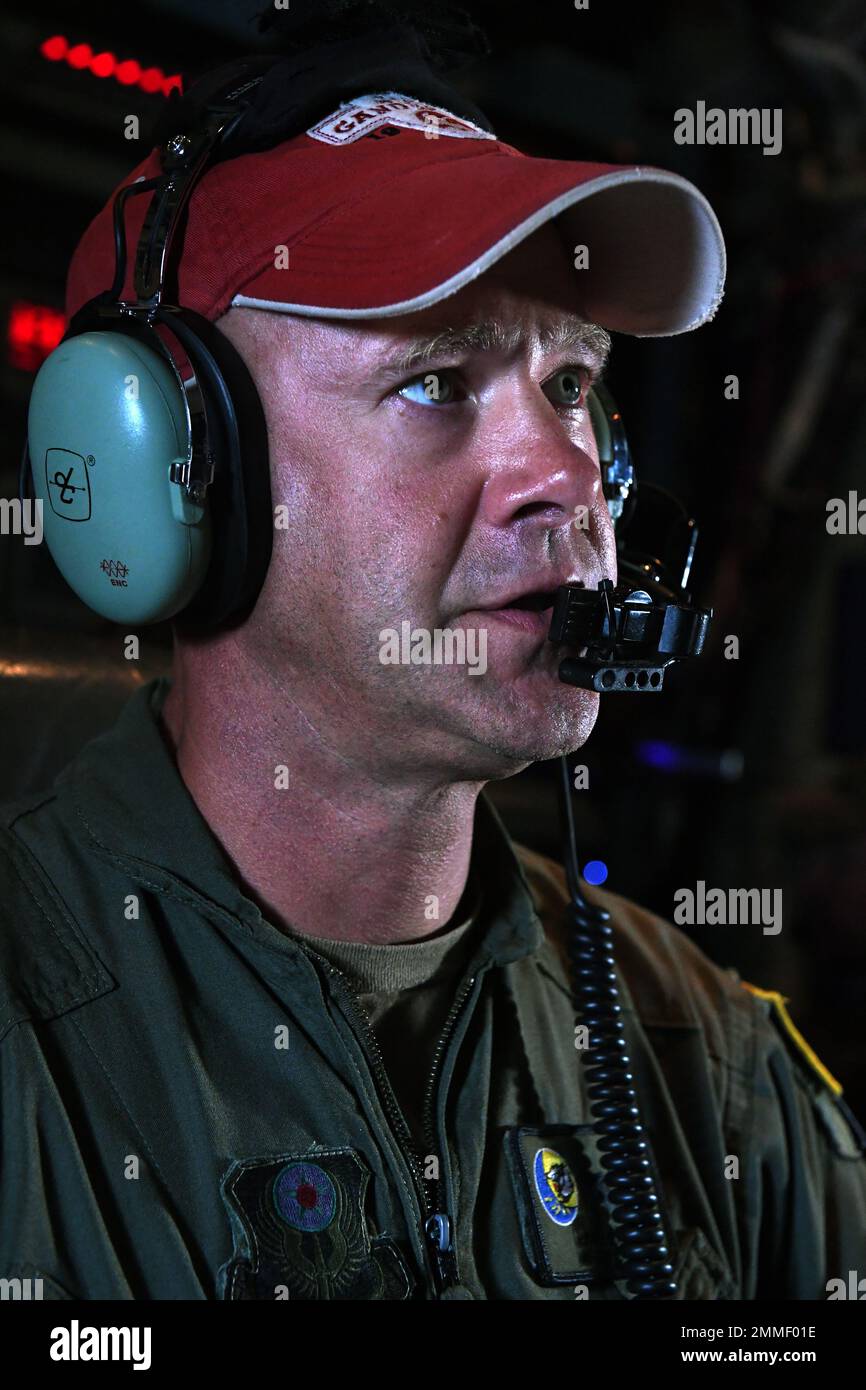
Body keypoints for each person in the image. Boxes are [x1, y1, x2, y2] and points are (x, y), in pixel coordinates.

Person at [3, 11, 865, 1302]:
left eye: (568, 386)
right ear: (171, 474)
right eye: (436, 383)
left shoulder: (705, 1053)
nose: (566, 475)